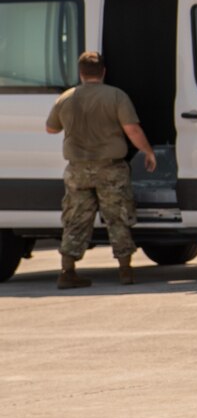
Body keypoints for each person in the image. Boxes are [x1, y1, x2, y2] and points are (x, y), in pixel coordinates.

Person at [43, 51, 155, 288]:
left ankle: (67, 271)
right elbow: (132, 130)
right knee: (118, 217)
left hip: (77, 170)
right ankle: (125, 270)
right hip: (110, 169)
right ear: (103, 72)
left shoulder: (65, 98)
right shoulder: (116, 96)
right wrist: (148, 152)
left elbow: (51, 129)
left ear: (80, 73)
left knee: (75, 219)